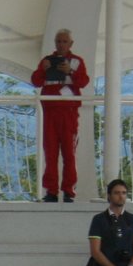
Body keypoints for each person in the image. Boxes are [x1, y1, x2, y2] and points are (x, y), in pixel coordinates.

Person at [31, 28, 89, 202]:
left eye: (64, 41)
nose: (61, 44)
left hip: (68, 113)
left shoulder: (77, 62)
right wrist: (44, 69)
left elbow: (83, 81)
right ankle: (51, 191)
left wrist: (69, 71)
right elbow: (36, 81)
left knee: (69, 153)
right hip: (49, 112)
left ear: (70, 44)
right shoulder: (47, 61)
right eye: (58, 41)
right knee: (50, 152)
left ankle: (69, 192)